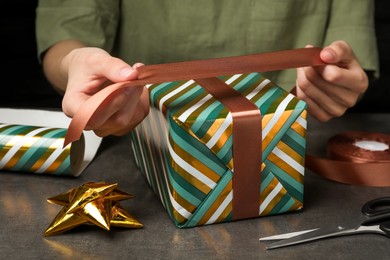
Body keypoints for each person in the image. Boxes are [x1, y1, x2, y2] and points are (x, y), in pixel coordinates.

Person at [35, 0, 378, 137]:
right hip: (140, 136)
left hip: (287, 144)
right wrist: (74, 63)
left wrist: (338, 80)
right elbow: (66, 33)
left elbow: (348, 56)